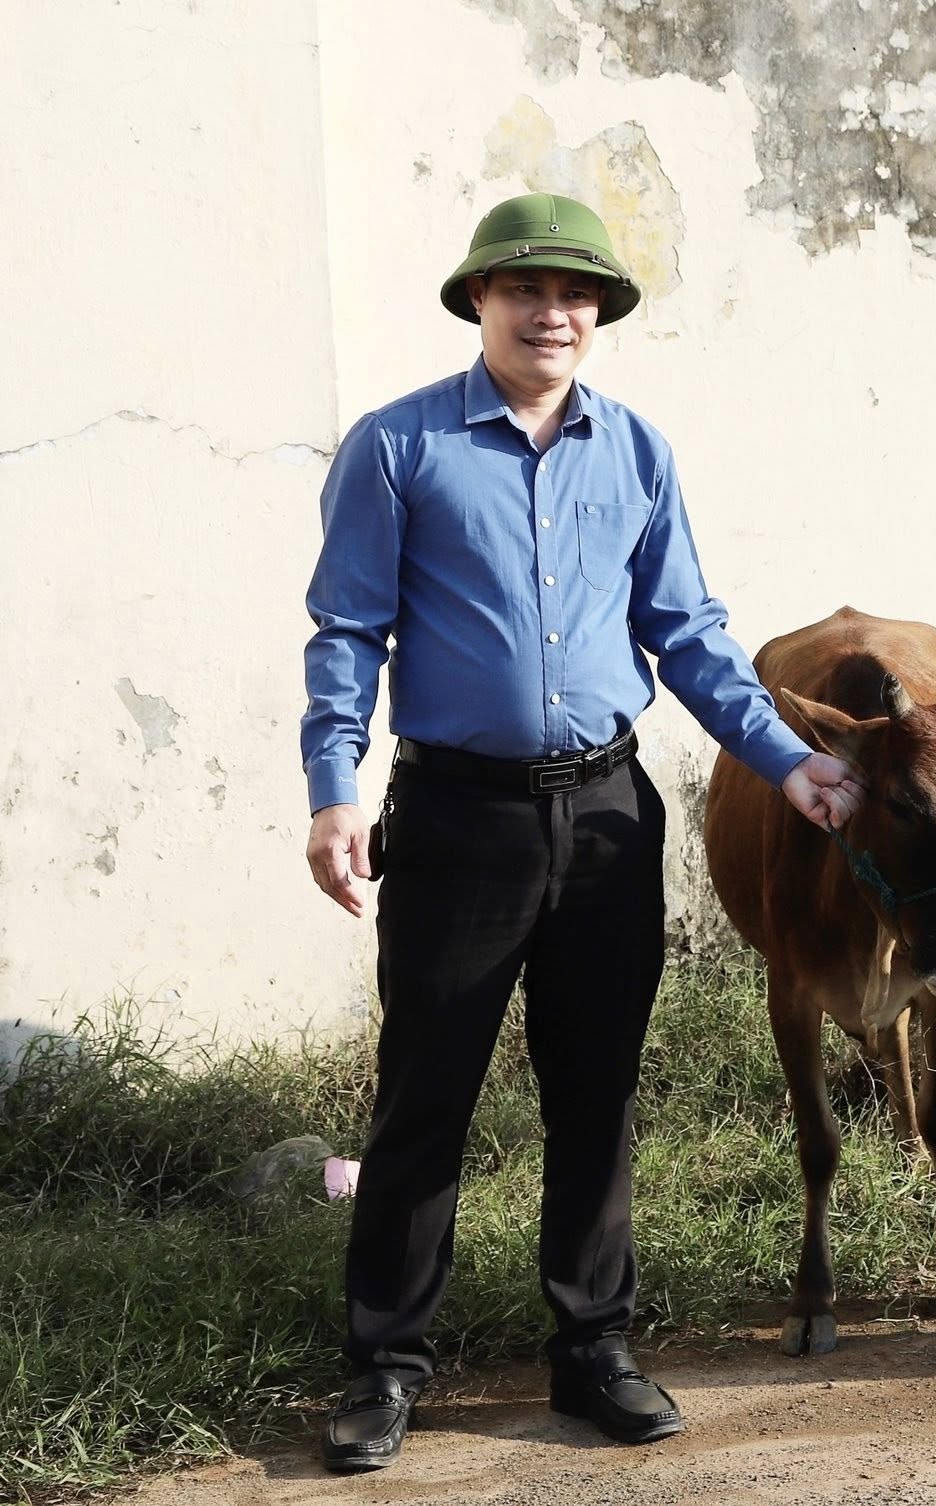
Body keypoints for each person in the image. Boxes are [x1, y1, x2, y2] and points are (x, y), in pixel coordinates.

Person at [299, 192, 863, 1470]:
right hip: (456, 820)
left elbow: (691, 636)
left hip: (606, 816)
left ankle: (591, 1351)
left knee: (596, 1095)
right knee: (424, 1095)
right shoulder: (397, 448)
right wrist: (334, 786)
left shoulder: (638, 452)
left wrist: (787, 765)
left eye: (575, 292)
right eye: (523, 289)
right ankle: (385, 1366)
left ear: (598, 312)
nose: (551, 310)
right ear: (478, 302)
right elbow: (347, 633)